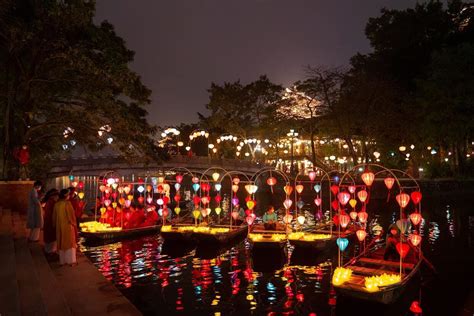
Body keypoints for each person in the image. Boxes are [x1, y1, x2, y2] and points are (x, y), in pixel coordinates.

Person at [53, 189, 77, 266]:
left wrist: (55, 225)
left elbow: (54, 217)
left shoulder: (57, 204)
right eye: (68, 194)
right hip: (67, 226)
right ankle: (71, 261)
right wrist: (74, 223)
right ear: (66, 195)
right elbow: (71, 216)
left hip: (59, 226)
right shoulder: (67, 204)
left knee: (61, 242)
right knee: (69, 243)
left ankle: (62, 261)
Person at [42, 189, 59, 254]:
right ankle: (51, 251)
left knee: (49, 237)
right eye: (57, 196)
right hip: (51, 222)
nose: (57, 197)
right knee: (51, 237)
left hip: (48, 221)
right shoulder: (52, 203)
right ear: (53, 196)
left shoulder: (49, 202)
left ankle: (49, 250)